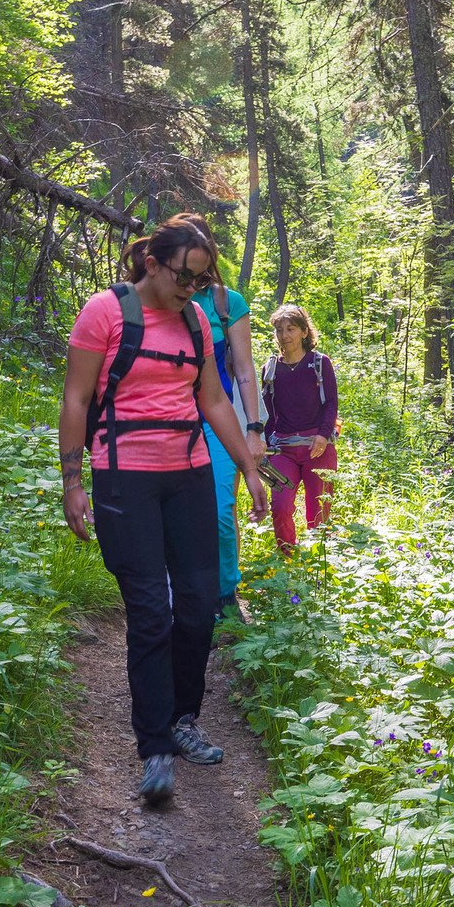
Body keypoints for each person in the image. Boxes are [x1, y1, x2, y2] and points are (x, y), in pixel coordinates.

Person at [59, 223, 270, 806]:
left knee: (200, 606)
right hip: (125, 476)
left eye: (203, 278)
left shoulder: (198, 321)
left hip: (189, 474)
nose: (194, 287)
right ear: (152, 262)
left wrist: (249, 467)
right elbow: (76, 399)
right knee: (151, 611)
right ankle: (154, 747)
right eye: (186, 275)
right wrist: (73, 481)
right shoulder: (104, 313)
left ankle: (184, 720)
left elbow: (213, 399)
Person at [183, 228, 263, 620]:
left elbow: (245, 367)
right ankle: (184, 593)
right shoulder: (163, 297)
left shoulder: (226, 302)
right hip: (171, 418)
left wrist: (254, 427)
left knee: (220, 507)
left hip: (219, 419)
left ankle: (226, 595)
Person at [262, 302, 339, 552]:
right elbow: (267, 414)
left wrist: (323, 435)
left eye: (291, 329)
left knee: (318, 512)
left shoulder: (319, 363)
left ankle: (317, 566)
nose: (285, 336)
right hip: (283, 450)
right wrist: (265, 442)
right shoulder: (270, 369)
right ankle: (286, 561)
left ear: (305, 332)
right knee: (281, 506)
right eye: (280, 330)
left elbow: (331, 403)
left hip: (318, 448)